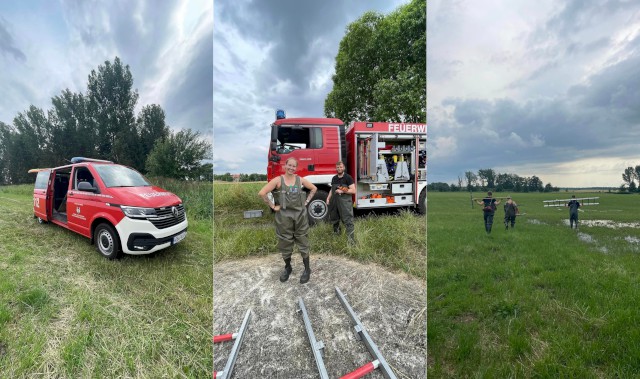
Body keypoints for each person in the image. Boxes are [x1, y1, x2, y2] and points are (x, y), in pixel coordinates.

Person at [258, 158, 317, 283]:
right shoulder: (278, 180)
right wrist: (273, 206)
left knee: (303, 239)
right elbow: (262, 193)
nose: (291, 168)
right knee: (285, 241)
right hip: (284, 217)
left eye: (294, 166)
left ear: (296, 168)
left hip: (300, 216)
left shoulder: (299, 180)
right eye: (289, 165)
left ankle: (307, 269)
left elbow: (313, 189)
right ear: (285, 166)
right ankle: (288, 267)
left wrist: (305, 202)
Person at [326, 161, 356, 244]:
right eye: (338, 167)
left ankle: (351, 240)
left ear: (344, 168)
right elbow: (332, 190)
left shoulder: (348, 177)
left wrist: (343, 190)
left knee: (347, 220)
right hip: (335, 201)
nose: (339, 169)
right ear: (336, 168)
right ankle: (337, 236)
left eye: (341, 167)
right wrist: (328, 198)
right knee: (335, 219)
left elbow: (353, 190)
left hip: (345, 202)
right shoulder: (334, 178)